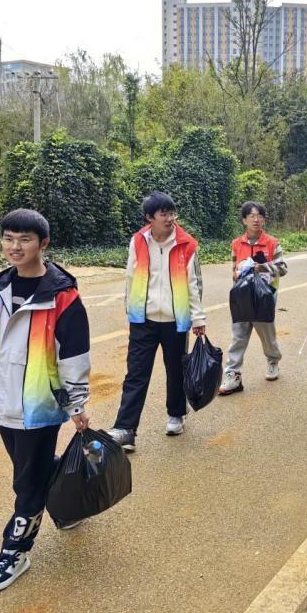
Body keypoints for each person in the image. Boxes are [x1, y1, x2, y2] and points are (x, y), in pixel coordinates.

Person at [0, 209, 91, 593]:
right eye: (9, 238)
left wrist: (76, 405)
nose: (15, 246)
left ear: (43, 244)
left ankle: (15, 551)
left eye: (25, 239)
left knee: (26, 484)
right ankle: (69, 503)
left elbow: (74, 357)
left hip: (39, 406)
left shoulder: (63, 297)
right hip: (3, 403)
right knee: (34, 468)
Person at [107, 192, 205, 451]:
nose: (170, 218)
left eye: (172, 213)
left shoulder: (187, 244)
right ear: (149, 217)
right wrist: (131, 311)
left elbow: (194, 283)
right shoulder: (138, 241)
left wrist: (198, 317)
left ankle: (176, 414)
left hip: (175, 320)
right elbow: (130, 277)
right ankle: (126, 429)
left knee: (176, 370)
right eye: (164, 214)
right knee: (136, 372)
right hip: (144, 320)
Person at [219, 201, 287, 394]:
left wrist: (261, 267)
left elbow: (282, 268)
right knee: (238, 335)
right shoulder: (236, 244)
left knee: (266, 334)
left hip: (264, 296)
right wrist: (239, 273)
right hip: (242, 296)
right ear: (244, 220)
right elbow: (233, 269)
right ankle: (232, 374)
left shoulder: (272, 243)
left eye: (260, 216)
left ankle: (273, 361)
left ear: (264, 220)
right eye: (252, 216)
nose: (256, 220)